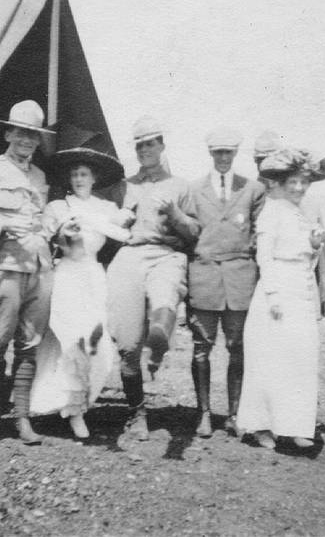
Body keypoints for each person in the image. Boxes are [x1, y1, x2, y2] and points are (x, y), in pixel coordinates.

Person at [106, 116, 201, 441]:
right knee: (129, 344)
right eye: (140, 145)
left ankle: (158, 340)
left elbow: (193, 233)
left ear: (162, 144)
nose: (146, 149)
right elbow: (109, 225)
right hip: (131, 254)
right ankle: (137, 412)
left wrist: (175, 214)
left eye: (151, 143)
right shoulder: (125, 185)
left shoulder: (180, 186)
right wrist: (119, 218)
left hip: (166, 253)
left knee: (165, 292)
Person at [29, 140, 130, 439]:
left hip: (94, 279)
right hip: (68, 277)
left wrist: (107, 221)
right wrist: (64, 233)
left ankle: (80, 404)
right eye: (74, 174)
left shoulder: (106, 208)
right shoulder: (59, 206)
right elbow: (51, 238)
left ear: (94, 178)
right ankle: (70, 411)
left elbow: (124, 232)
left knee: (95, 344)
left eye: (84, 174)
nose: (78, 179)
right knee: (71, 341)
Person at [0, 100, 55, 445]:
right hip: (4, 266)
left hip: (38, 266)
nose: (26, 140)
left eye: (33, 135)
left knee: (30, 343)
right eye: (20, 132)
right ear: (8, 133)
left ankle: (22, 418)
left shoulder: (40, 176)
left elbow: (42, 218)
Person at [236, 148, 325, 449]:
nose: (299, 188)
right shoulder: (272, 210)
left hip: (301, 289)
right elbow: (265, 256)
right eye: (294, 182)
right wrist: (273, 294)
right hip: (276, 290)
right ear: (282, 183)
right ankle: (261, 426)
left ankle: (294, 426)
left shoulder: (305, 212)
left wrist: (314, 246)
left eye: (304, 183)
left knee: (299, 357)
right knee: (270, 359)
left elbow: (308, 258)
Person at [187, 127, 266, 438]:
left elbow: (260, 238)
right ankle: (204, 413)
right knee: (201, 348)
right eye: (217, 152)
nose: (222, 158)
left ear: (235, 154)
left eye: (228, 153)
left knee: (238, 347)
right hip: (205, 278)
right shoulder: (194, 190)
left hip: (239, 281)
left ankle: (235, 413)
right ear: (210, 153)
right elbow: (187, 235)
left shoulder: (252, 189)